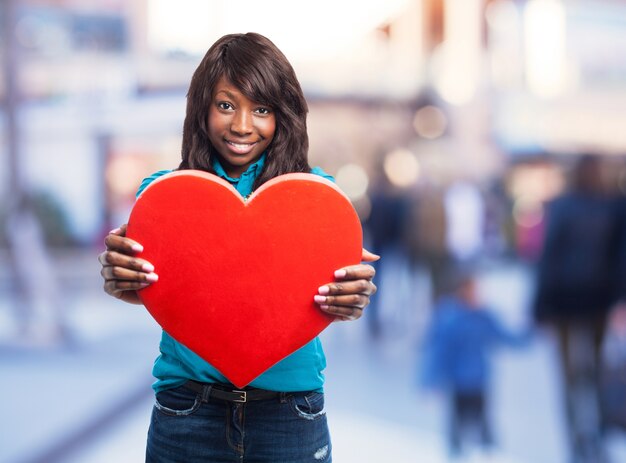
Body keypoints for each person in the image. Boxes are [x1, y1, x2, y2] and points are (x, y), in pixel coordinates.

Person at [98, 33, 378, 463]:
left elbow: (317, 302)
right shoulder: (164, 195)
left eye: (261, 109)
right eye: (226, 105)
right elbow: (165, 292)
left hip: (290, 414)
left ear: (283, 116)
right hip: (187, 412)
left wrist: (350, 300)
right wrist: (121, 279)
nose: (243, 126)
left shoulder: (317, 199)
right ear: (201, 108)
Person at [533, 154, 619, 463]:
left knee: (572, 375)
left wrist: (540, 303)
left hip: (569, 299)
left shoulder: (567, 205)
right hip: (595, 299)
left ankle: (578, 437)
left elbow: (549, 257)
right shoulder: (611, 206)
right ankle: (592, 436)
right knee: (592, 372)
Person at [420, 269, 529, 459]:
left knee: (483, 422)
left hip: (479, 381)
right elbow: (438, 352)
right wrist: (430, 381)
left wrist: (528, 335)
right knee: (457, 424)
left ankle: (487, 451)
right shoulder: (449, 319)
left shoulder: (483, 316)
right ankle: (456, 451)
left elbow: (504, 335)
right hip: (458, 384)